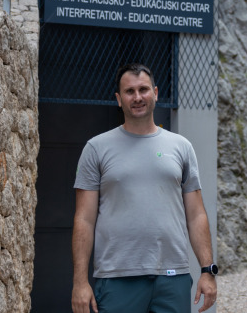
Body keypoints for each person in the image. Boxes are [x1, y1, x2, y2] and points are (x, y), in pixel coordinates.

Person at [72, 63, 217, 313]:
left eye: (143, 89)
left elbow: (196, 214)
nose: (137, 97)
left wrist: (207, 270)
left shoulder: (181, 147)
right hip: (116, 279)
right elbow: (84, 219)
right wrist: (79, 282)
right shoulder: (96, 148)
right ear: (119, 99)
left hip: (173, 278)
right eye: (129, 91)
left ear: (156, 93)